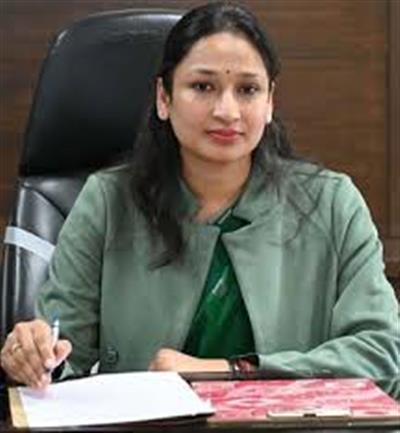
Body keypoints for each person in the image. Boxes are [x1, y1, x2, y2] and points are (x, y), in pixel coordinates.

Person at [1, 1, 399, 390]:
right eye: (203, 86)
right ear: (164, 98)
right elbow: (62, 358)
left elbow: (383, 355)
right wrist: (33, 357)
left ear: (269, 102)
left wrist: (231, 370)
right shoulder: (107, 202)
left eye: (248, 89)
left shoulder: (332, 204)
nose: (227, 111)